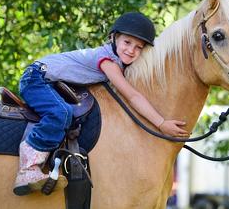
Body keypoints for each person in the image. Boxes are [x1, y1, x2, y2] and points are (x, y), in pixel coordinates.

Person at [13, 12, 189, 196]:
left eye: (139, 47)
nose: (131, 50)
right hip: (36, 77)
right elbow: (132, 96)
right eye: (127, 43)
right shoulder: (108, 61)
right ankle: (28, 169)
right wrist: (161, 123)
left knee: (64, 111)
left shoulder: (117, 62)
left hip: (46, 79)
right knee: (61, 113)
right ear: (113, 38)